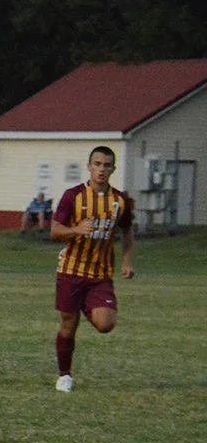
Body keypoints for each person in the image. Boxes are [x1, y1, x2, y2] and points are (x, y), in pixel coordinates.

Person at [49, 146, 135, 393]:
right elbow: (55, 230)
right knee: (69, 324)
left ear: (113, 169)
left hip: (100, 275)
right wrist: (75, 230)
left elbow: (127, 231)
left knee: (105, 324)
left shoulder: (120, 201)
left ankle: (89, 305)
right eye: (97, 164)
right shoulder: (73, 196)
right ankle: (65, 375)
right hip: (71, 270)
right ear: (89, 167)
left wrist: (127, 261)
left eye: (106, 165)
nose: (101, 169)